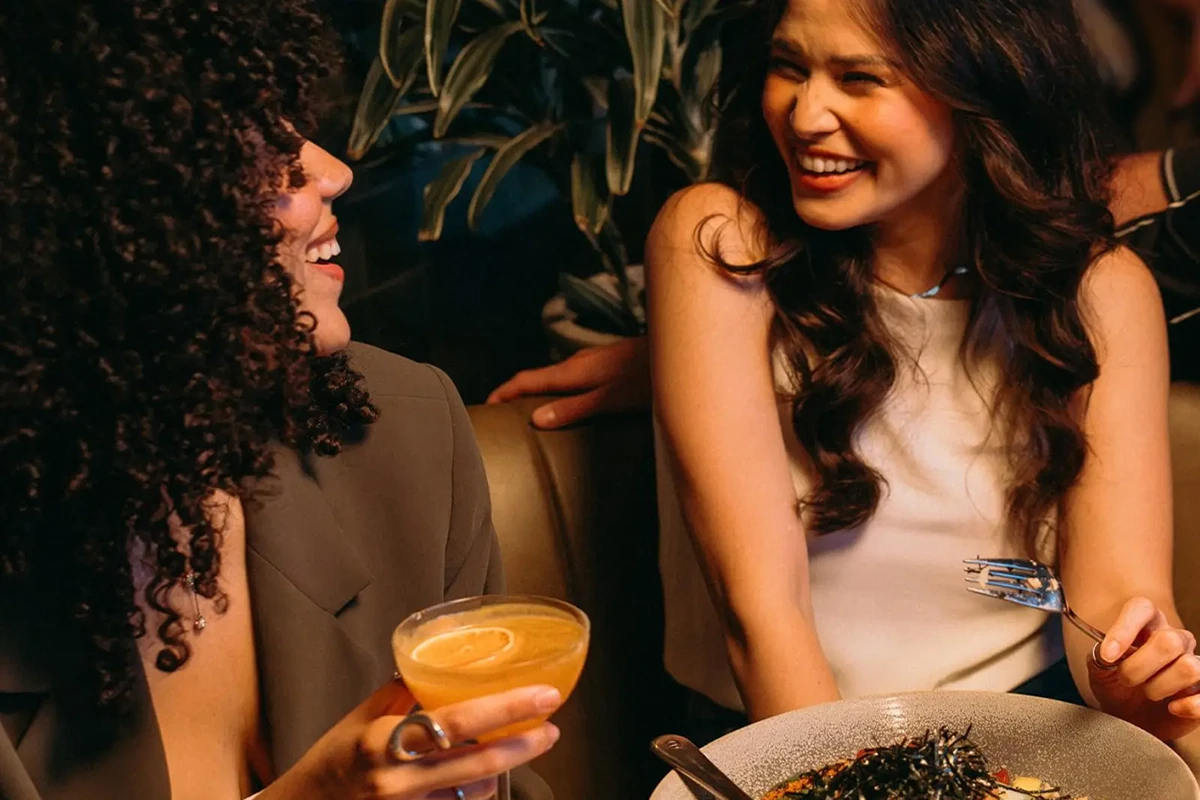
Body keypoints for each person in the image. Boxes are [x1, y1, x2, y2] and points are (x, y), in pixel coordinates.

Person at [501, 0, 1200, 754]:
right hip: (790, 737)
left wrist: (1136, 680)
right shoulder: (721, 243)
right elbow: (761, 614)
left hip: (1032, 735)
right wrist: (854, 780)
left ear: (982, 89)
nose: (805, 115)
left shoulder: (1102, 288)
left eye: (860, 78)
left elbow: (1115, 598)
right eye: (789, 67)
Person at [0, 3, 559, 799]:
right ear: (86, 218)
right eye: (255, 146)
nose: (333, 170)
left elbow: (503, 782)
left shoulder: (404, 431)